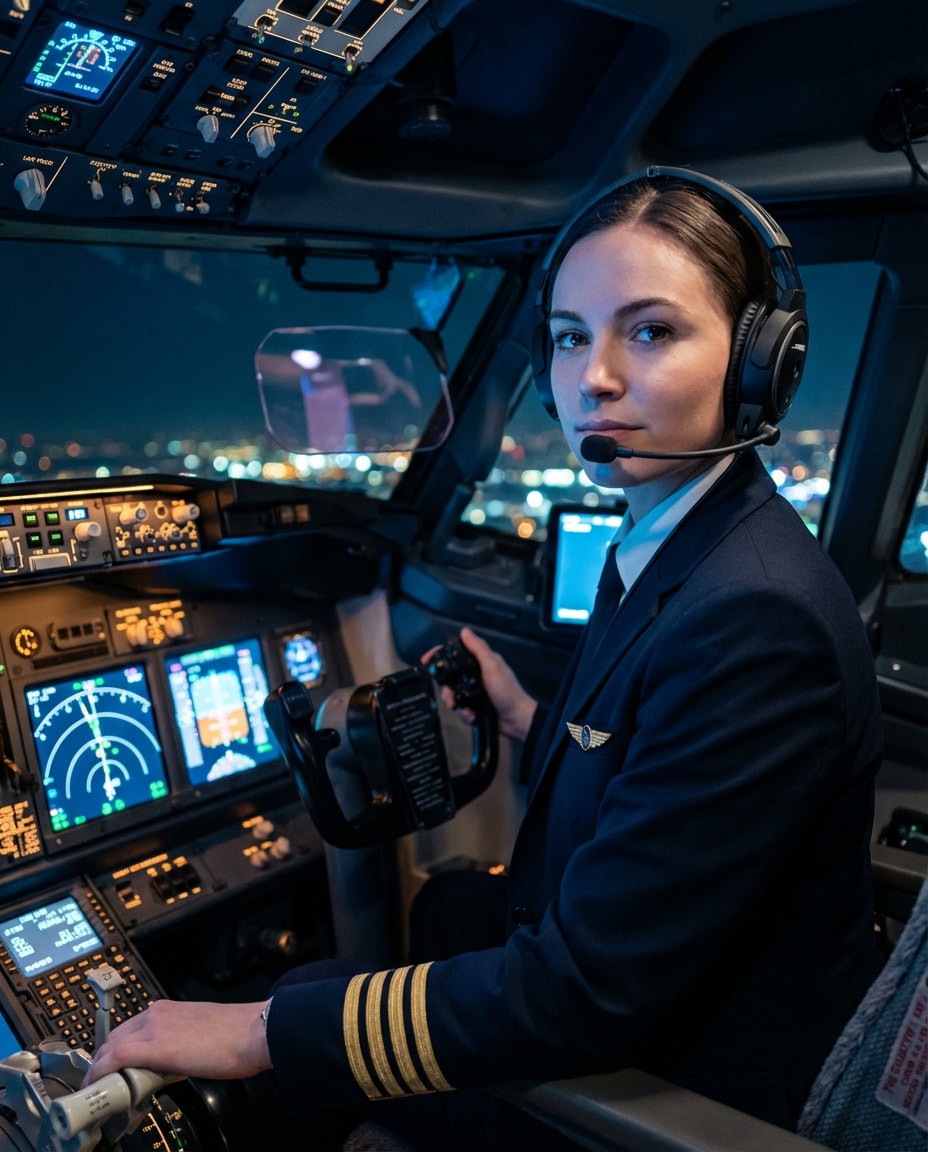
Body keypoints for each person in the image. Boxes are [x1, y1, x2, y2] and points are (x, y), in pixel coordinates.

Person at [85, 170, 883, 1148]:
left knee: (295, 1010)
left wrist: (258, 1031)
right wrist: (527, 719)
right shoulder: (687, 539)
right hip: (651, 987)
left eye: (650, 331)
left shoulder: (756, 614)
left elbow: (580, 992)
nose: (591, 376)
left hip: (681, 1082)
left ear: (759, 363)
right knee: (455, 904)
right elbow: (673, 771)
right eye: (567, 335)